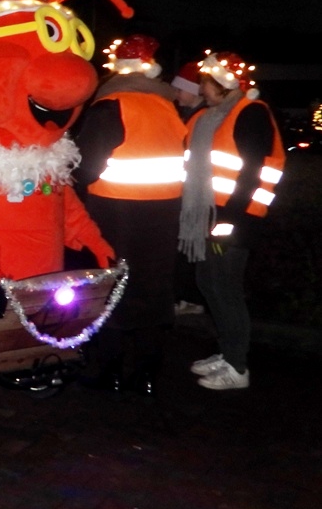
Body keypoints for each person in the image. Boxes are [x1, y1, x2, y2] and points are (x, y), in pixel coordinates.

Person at [71, 35, 188, 394]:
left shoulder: (111, 106)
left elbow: (85, 167)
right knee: (153, 287)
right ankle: (147, 371)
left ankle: (108, 368)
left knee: (111, 285)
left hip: (116, 212)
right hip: (164, 212)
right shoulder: (168, 107)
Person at [179, 51, 285, 391]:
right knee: (209, 283)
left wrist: (229, 219)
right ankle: (228, 352)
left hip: (235, 217)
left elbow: (251, 171)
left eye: (206, 83)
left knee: (225, 288)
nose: (201, 89)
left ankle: (237, 366)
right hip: (209, 214)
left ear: (223, 84)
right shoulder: (207, 116)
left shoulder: (250, 112)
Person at [169, 60, 209, 316]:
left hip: (195, 194)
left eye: (180, 89)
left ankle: (190, 299)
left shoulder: (199, 118)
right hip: (189, 191)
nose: (176, 94)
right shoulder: (191, 115)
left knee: (189, 247)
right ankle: (186, 297)